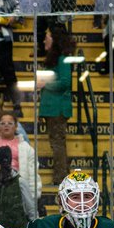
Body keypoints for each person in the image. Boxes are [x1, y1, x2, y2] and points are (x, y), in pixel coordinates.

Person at [0, 112, 41, 223]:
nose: (6, 125)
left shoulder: (27, 148)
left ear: (16, 126)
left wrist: (32, 195)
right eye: (2, 123)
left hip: (18, 189)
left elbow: (33, 173)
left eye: (10, 123)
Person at [38, 22, 74, 184]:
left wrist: (46, 84)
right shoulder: (56, 59)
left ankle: (60, 178)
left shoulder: (63, 59)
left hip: (57, 108)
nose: (44, 39)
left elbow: (66, 82)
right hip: (52, 108)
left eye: (47, 35)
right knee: (57, 143)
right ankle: (63, 175)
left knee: (57, 144)